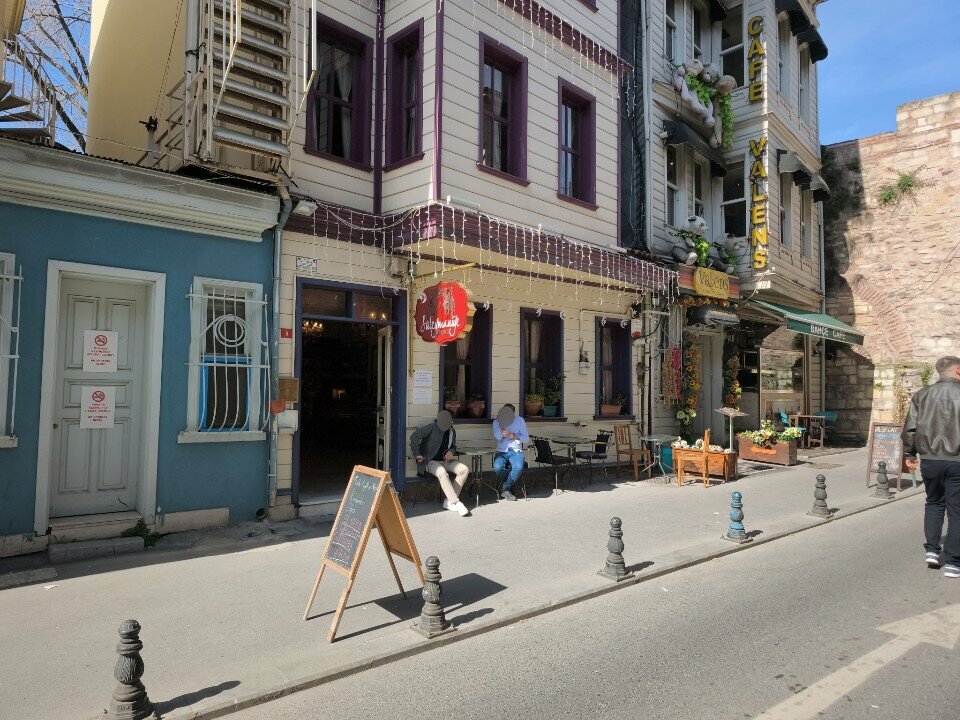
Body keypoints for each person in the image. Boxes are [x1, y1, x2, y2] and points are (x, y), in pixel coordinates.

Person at [901, 355, 960, 578]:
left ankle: (933, 552)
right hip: (957, 461)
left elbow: (910, 429)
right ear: (958, 371)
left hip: (931, 460)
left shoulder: (922, 395)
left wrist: (910, 453)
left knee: (934, 503)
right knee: (957, 511)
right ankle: (954, 562)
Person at [410, 410, 471, 517]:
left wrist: (451, 452)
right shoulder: (432, 427)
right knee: (442, 472)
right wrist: (417, 454)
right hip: (429, 461)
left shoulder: (452, 431)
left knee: (464, 469)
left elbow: (453, 446)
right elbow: (414, 436)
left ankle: (449, 501)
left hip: (445, 461)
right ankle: (456, 503)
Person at [493, 404, 529, 501]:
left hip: (515, 450)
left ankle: (504, 488)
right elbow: (498, 437)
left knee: (518, 467)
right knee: (497, 467)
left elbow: (526, 439)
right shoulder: (496, 422)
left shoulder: (520, 420)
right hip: (502, 451)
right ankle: (510, 484)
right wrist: (501, 426)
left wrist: (513, 436)